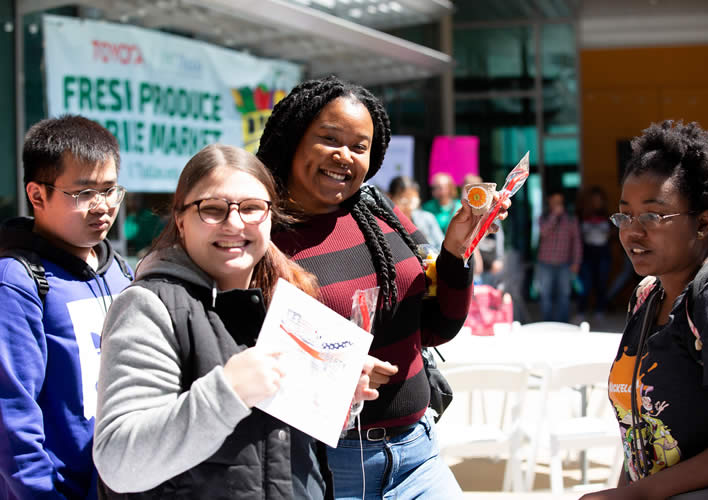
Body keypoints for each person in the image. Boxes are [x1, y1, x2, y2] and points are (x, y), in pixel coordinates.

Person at [256, 75, 509, 499]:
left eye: (359, 146)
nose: (344, 156)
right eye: (329, 139)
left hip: (417, 455)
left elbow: (433, 330)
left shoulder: (381, 215)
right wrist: (332, 373)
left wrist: (455, 251)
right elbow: (239, 356)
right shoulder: (258, 235)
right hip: (324, 468)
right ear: (293, 138)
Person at [93, 144, 386, 499]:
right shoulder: (148, 307)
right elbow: (119, 462)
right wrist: (227, 392)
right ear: (181, 220)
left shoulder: (288, 301)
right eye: (213, 210)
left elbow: (281, 451)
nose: (234, 223)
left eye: (251, 208)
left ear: (271, 217)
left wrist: (337, 391)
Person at [582, 120, 708, 499]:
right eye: (624, 215)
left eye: (653, 216)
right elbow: (641, 436)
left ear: (704, 223)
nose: (632, 232)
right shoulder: (647, 296)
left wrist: (638, 495)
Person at [0, 115, 133, 499]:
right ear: (38, 195)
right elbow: (12, 420)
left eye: (110, 190)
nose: (102, 206)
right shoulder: (19, 282)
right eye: (83, 194)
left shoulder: (119, 271)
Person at [536, 190, 582, 322]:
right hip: (545, 263)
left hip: (565, 264)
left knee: (564, 296)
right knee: (546, 296)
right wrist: (554, 216)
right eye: (554, 201)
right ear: (549, 202)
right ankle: (547, 323)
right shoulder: (543, 217)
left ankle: (563, 324)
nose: (557, 204)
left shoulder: (571, 219)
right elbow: (543, 232)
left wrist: (576, 262)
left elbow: (577, 242)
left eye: (559, 202)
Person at [576, 186, 612, 323]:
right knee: (585, 284)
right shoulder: (582, 215)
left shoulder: (607, 216)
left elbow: (614, 233)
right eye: (594, 200)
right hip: (587, 252)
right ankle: (581, 311)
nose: (596, 202)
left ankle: (600, 310)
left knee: (601, 283)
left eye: (599, 200)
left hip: (602, 252)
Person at [387, 175, 443, 249]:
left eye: (412, 200)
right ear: (390, 198)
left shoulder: (427, 218)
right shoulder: (386, 223)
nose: (408, 206)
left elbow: (441, 246)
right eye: (403, 200)